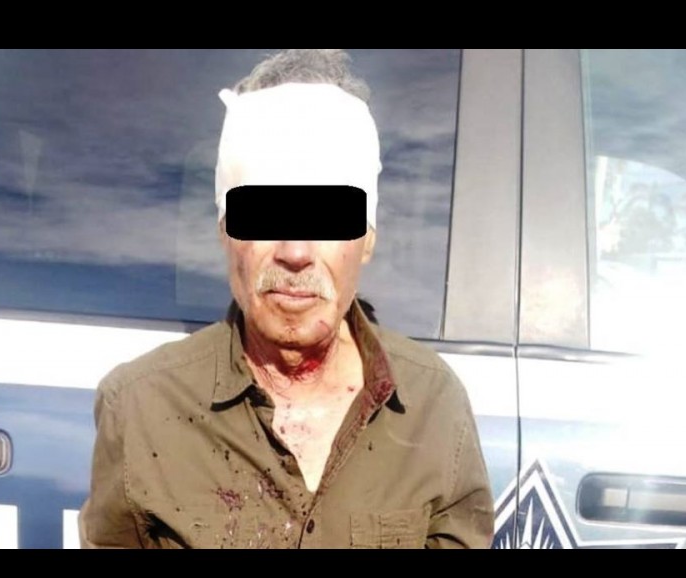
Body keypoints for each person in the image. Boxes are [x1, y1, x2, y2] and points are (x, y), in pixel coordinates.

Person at [79, 49, 494, 549]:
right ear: (225, 232)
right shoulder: (139, 407)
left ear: (367, 239)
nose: (295, 252)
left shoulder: (434, 405)